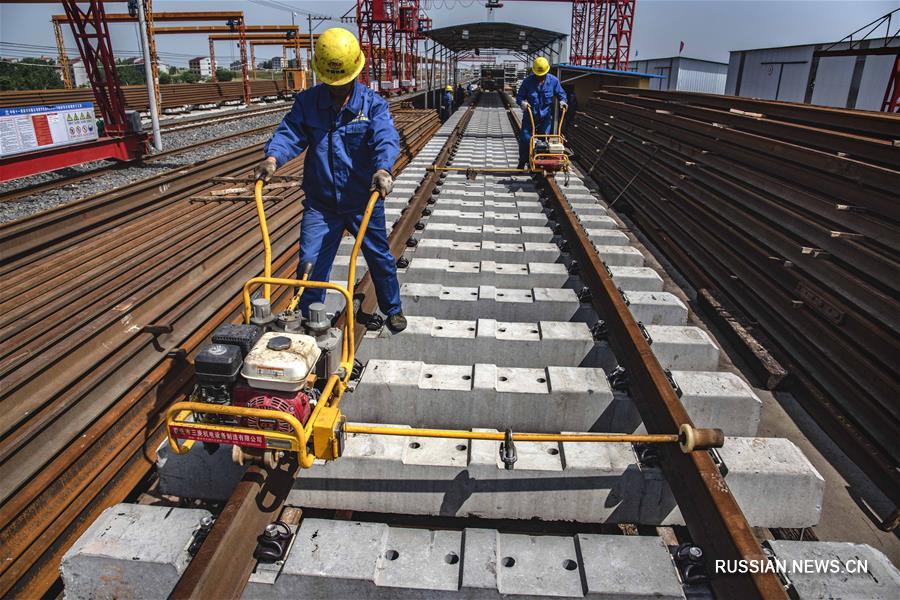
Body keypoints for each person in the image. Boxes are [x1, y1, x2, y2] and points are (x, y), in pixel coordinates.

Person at [254, 27, 407, 333]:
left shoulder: (372, 104)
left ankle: (393, 308)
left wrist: (384, 169)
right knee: (310, 263)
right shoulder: (308, 103)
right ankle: (313, 320)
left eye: (343, 83)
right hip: (321, 204)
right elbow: (290, 134)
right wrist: (273, 158)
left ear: (355, 72)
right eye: (331, 84)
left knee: (379, 257)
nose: (338, 90)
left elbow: (386, 138)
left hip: (362, 200)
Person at [515, 56, 567, 169]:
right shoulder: (527, 82)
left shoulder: (553, 81)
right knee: (525, 139)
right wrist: (522, 103)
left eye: (542, 75)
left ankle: (541, 164)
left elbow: (561, 94)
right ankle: (522, 161)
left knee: (544, 140)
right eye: (538, 75)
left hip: (545, 117)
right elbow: (519, 97)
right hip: (530, 116)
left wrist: (563, 101)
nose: (540, 77)